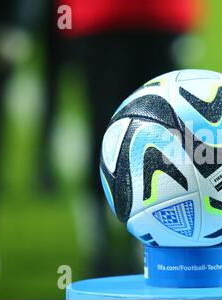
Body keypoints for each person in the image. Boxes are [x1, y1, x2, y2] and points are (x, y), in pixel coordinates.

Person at [44, 0, 204, 276]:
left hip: (151, 17)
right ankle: (101, 240)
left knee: (158, 133)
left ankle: (140, 238)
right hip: (109, 18)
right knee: (109, 130)